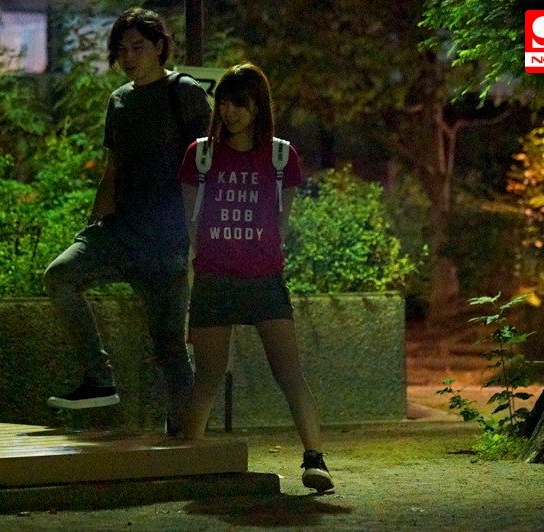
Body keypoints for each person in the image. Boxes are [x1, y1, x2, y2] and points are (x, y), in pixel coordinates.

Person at [43, 7, 211, 436]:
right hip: (119, 232)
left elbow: (208, 164)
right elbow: (113, 170)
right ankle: (98, 379)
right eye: (122, 50)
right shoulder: (119, 100)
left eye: (138, 47)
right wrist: (92, 223)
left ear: (159, 47)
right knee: (60, 275)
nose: (129, 57)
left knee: (169, 348)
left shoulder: (183, 91)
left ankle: (188, 436)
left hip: (166, 243)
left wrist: (202, 236)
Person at [178, 63, 334, 492]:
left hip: (264, 278)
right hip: (214, 278)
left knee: (289, 373)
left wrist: (256, 249)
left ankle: (315, 459)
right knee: (208, 375)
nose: (229, 112)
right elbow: (191, 220)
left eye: (240, 104)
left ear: (258, 107)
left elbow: (282, 222)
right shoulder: (201, 154)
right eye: (224, 103)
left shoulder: (281, 156)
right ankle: (190, 462)